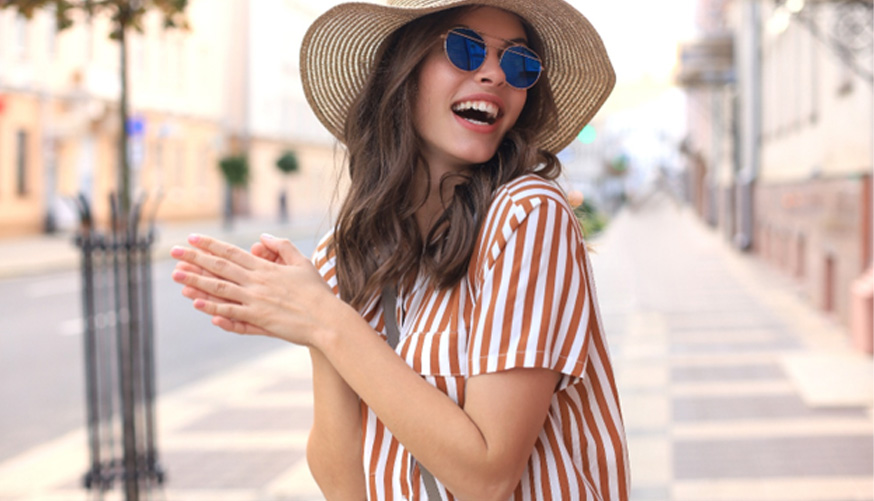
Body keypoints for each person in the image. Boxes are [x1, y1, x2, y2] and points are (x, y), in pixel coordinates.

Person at [170, 0, 630, 499]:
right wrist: (318, 329)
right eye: (465, 48)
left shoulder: (526, 213)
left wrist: (327, 319)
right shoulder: (349, 253)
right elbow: (345, 485)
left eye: (519, 64)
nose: (495, 73)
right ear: (403, 69)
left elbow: (488, 477)